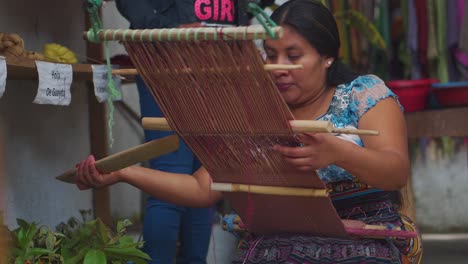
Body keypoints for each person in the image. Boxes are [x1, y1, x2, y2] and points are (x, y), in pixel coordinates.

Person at [78, 0, 420, 263]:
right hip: (281, 238)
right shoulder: (258, 113)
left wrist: (337, 152)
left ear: (327, 56)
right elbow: (202, 188)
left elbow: (395, 171)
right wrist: (124, 173)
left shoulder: (363, 95)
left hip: (364, 235)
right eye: (271, 55)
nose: (279, 68)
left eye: (293, 55)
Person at [113, 1, 249, 263]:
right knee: (170, 177)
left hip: (222, 68)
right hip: (167, 63)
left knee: (207, 178)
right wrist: (170, 29)